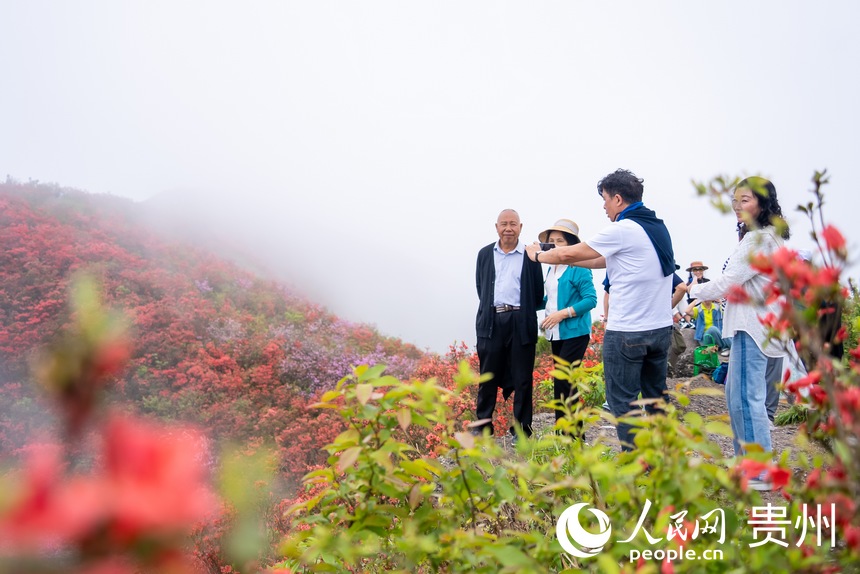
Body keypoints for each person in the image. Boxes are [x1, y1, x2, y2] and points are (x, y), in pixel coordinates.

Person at [526, 169, 675, 451]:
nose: (604, 206)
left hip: (629, 332)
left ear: (618, 198)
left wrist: (538, 255)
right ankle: (665, 462)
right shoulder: (656, 227)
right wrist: (563, 259)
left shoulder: (624, 228)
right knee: (656, 398)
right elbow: (599, 261)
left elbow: (570, 253)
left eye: (605, 200)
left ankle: (637, 464)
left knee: (624, 402)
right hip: (659, 328)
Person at [688, 177, 790, 489]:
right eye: (735, 201)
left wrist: (694, 290)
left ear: (762, 202)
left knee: (746, 399)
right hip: (758, 326)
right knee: (739, 398)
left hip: (751, 328)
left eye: (745, 200)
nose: (737, 207)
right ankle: (747, 466)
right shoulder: (768, 238)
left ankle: (759, 471)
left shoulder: (759, 239)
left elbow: (729, 280)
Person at [473, 209, 545, 441]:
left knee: (523, 377)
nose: (508, 228)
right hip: (491, 320)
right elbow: (480, 288)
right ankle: (483, 426)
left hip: (520, 320)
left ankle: (522, 430)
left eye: (513, 224)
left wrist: (520, 313)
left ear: (520, 227)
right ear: (496, 227)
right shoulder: (485, 254)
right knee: (487, 375)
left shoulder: (530, 255)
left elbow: (537, 293)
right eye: (504, 224)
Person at [537, 219, 597, 433]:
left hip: (575, 332)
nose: (554, 244)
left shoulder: (578, 267)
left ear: (571, 244)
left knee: (567, 383)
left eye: (559, 240)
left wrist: (562, 314)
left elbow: (590, 299)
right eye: (551, 241)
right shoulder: (551, 269)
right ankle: (562, 431)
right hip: (556, 334)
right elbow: (551, 299)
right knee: (560, 381)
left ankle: (574, 435)